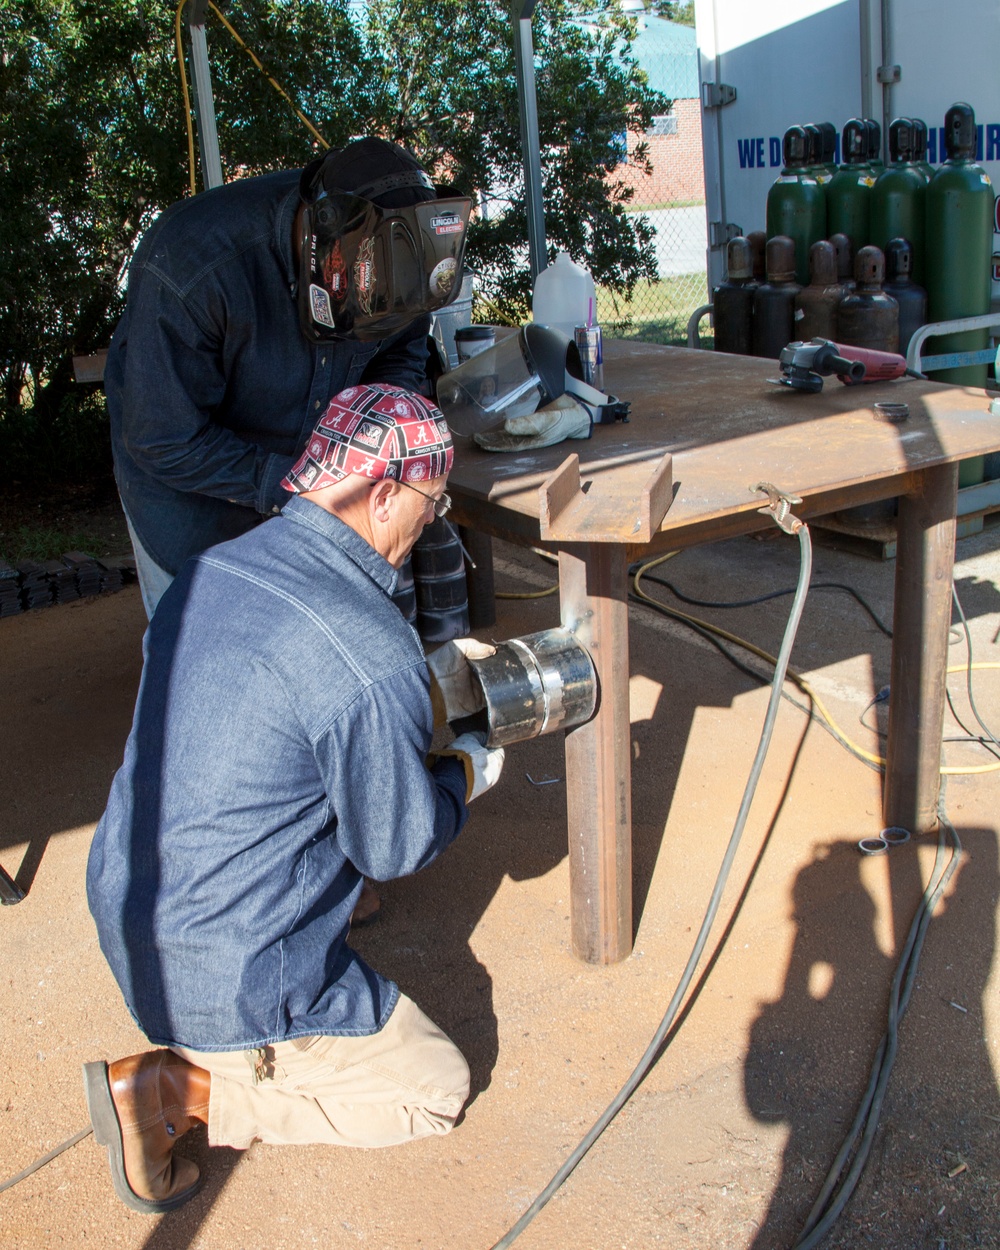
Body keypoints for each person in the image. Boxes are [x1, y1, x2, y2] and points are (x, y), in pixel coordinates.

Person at [83, 384, 503, 1215]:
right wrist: (464, 772)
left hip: (128, 910)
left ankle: (224, 1035)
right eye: (434, 499)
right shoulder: (366, 647)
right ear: (383, 495)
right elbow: (394, 846)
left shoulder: (214, 569)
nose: (434, 520)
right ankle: (183, 1090)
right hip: (225, 973)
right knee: (437, 1088)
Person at [104, 137, 472, 619]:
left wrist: (380, 440)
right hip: (192, 495)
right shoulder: (195, 267)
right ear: (319, 246)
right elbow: (163, 440)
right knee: (207, 647)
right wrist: (304, 485)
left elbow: (401, 354)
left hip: (316, 485)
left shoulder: (408, 266)